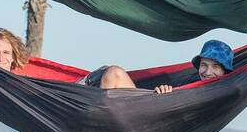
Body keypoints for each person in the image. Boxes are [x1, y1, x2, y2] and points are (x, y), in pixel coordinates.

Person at [80, 39, 235, 93]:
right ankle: (78, 90)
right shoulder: (191, 80)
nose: (208, 71)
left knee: (114, 73)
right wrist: (166, 92)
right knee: (107, 73)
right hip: (147, 110)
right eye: (204, 65)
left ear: (225, 71)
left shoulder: (227, 90)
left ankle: (79, 90)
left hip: (146, 123)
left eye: (215, 66)